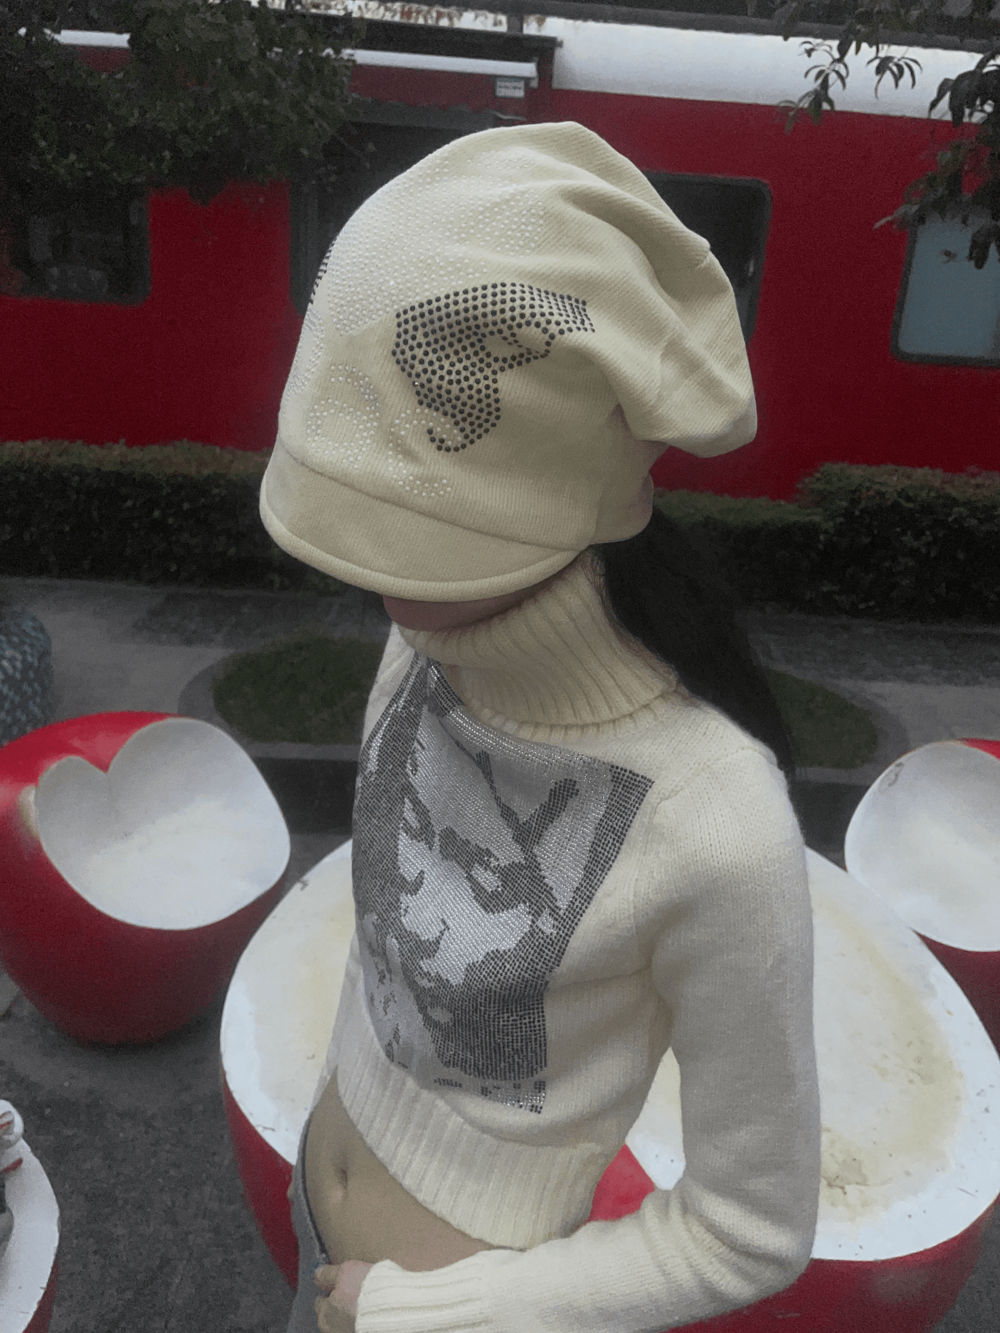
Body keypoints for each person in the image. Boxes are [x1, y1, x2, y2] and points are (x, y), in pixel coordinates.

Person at [259, 120, 820, 1333]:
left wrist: (427, 1311)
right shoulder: (420, 648)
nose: (361, 566)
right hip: (316, 1226)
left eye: (404, 513)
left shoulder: (717, 824)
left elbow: (753, 1229)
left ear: (547, 490)